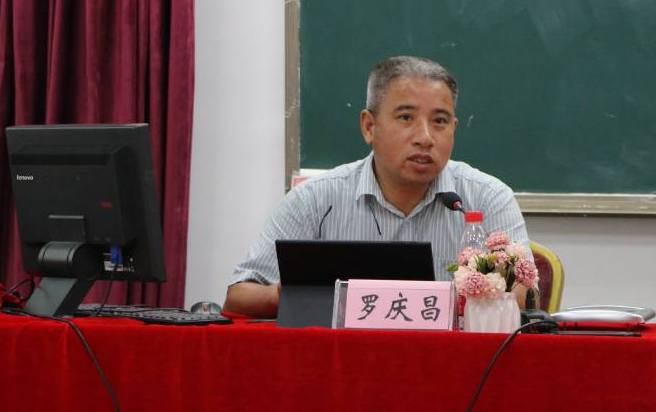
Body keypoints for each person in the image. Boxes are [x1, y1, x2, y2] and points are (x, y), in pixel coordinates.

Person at [224, 56, 531, 318]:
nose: (425, 137)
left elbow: (527, 298)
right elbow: (239, 296)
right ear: (369, 126)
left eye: (439, 121)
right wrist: (296, 292)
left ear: (454, 128)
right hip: (345, 362)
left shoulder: (487, 197)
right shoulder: (315, 199)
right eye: (406, 117)